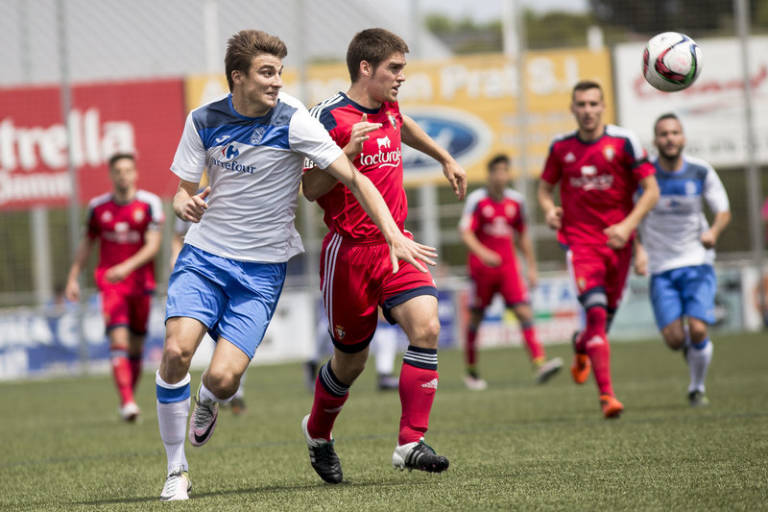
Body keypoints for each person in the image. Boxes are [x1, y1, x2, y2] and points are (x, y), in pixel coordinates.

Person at [155, 29, 436, 501]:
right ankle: (176, 470)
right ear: (237, 77)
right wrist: (182, 204)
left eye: (280, 72)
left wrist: (392, 233)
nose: (277, 82)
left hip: (262, 269)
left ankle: (208, 399)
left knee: (223, 379)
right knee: (176, 352)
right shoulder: (202, 119)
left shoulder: (295, 120)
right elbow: (182, 190)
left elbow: (355, 179)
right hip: (204, 257)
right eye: (267, 73)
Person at [300, 28, 466, 483]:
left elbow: (403, 124)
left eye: (403, 69)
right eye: (394, 69)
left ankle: (410, 442)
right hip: (348, 255)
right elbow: (310, 190)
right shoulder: (327, 117)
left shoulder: (388, 106)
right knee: (350, 363)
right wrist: (342, 152)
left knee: (427, 326)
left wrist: (444, 157)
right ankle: (317, 433)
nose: (401, 78)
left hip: (398, 246)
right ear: (366, 69)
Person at [537, 80, 659, 419]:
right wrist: (549, 210)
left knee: (600, 327)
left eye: (593, 104)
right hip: (580, 245)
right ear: (573, 109)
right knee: (595, 312)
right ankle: (608, 397)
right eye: (581, 105)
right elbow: (545, 190)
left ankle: (581, 345)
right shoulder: (561, 147)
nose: (588, 111)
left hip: (618, 246)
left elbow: (651, 191)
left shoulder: (624, 142)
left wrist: (627, 227)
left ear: (603, 106)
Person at [634, 113, 730, 407]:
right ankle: (695, 353)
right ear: (655, 140)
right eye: (663, 134)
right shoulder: (643, 176)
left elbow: (723, 210)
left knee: (699, 328)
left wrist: (713, 231)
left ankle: (696, 387)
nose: (670, 139)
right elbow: (629, 216)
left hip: (697, 261)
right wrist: (638, 250)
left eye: (675, 133)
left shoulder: (700, 171)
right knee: (675, 339)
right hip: (661, 267)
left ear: (683, 138)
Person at [65, 153, 164, 422]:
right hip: (111, 285)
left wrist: (127, 267)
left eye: (128, 170)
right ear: (111, 174)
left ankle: (127, 399)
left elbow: (153, 245)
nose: (123, 175)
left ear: (136, 173)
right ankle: (128, 401)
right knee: (118, 339)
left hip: (141, 284)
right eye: (118, 171)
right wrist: (73, 277)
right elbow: (87, 243)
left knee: (136, 346)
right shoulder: (98, 208)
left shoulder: (149, 204)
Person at [459, 154, 562, 390]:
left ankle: (540, 363)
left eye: (505, 171)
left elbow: (522, 235)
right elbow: (465, 232)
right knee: (475, 319)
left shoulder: (516, 201)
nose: (501, 176)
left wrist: (531, 267)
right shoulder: (477, 200)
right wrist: (483, 253)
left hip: (508, 270)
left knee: (524, 313)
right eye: (497, 171)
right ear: (490, 174)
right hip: (481, 271)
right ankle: (472, 372)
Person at [170, 196, 247, 416]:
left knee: (232, 337)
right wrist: (175, 259)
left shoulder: (242, 193)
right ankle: (213, 392)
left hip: (235, 275)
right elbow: (178, 235)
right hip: (200, 275)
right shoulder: (195, 196)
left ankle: (233, 392)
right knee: (180, 346)